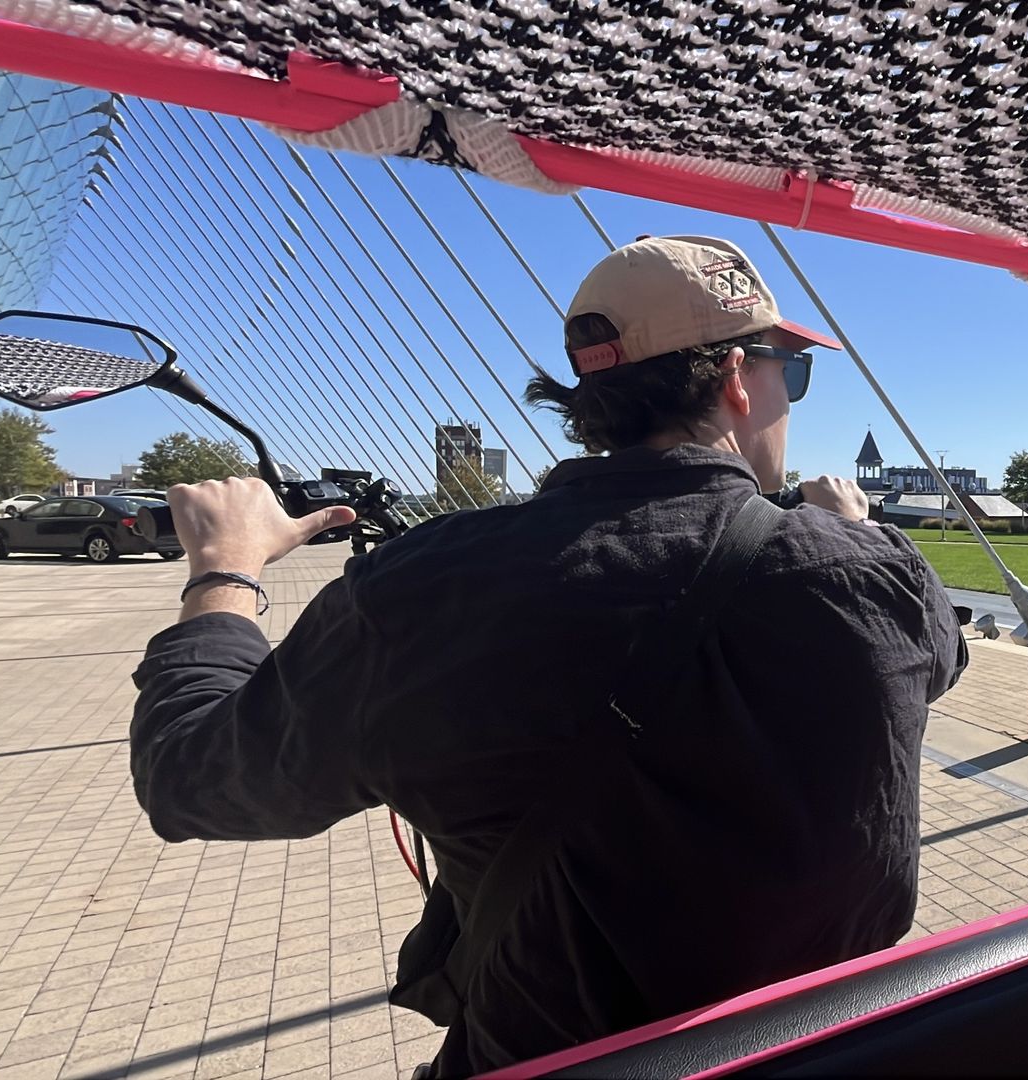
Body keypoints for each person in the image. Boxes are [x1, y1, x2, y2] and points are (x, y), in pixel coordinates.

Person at [131, 235, 969, 1075]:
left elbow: (188, 777)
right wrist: (857, 533)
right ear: (735, 384)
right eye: (791, 367)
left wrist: (226, 574)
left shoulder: (424, 585)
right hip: (834, 1047)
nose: (791, 393)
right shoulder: (871, 570)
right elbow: (940, 656)